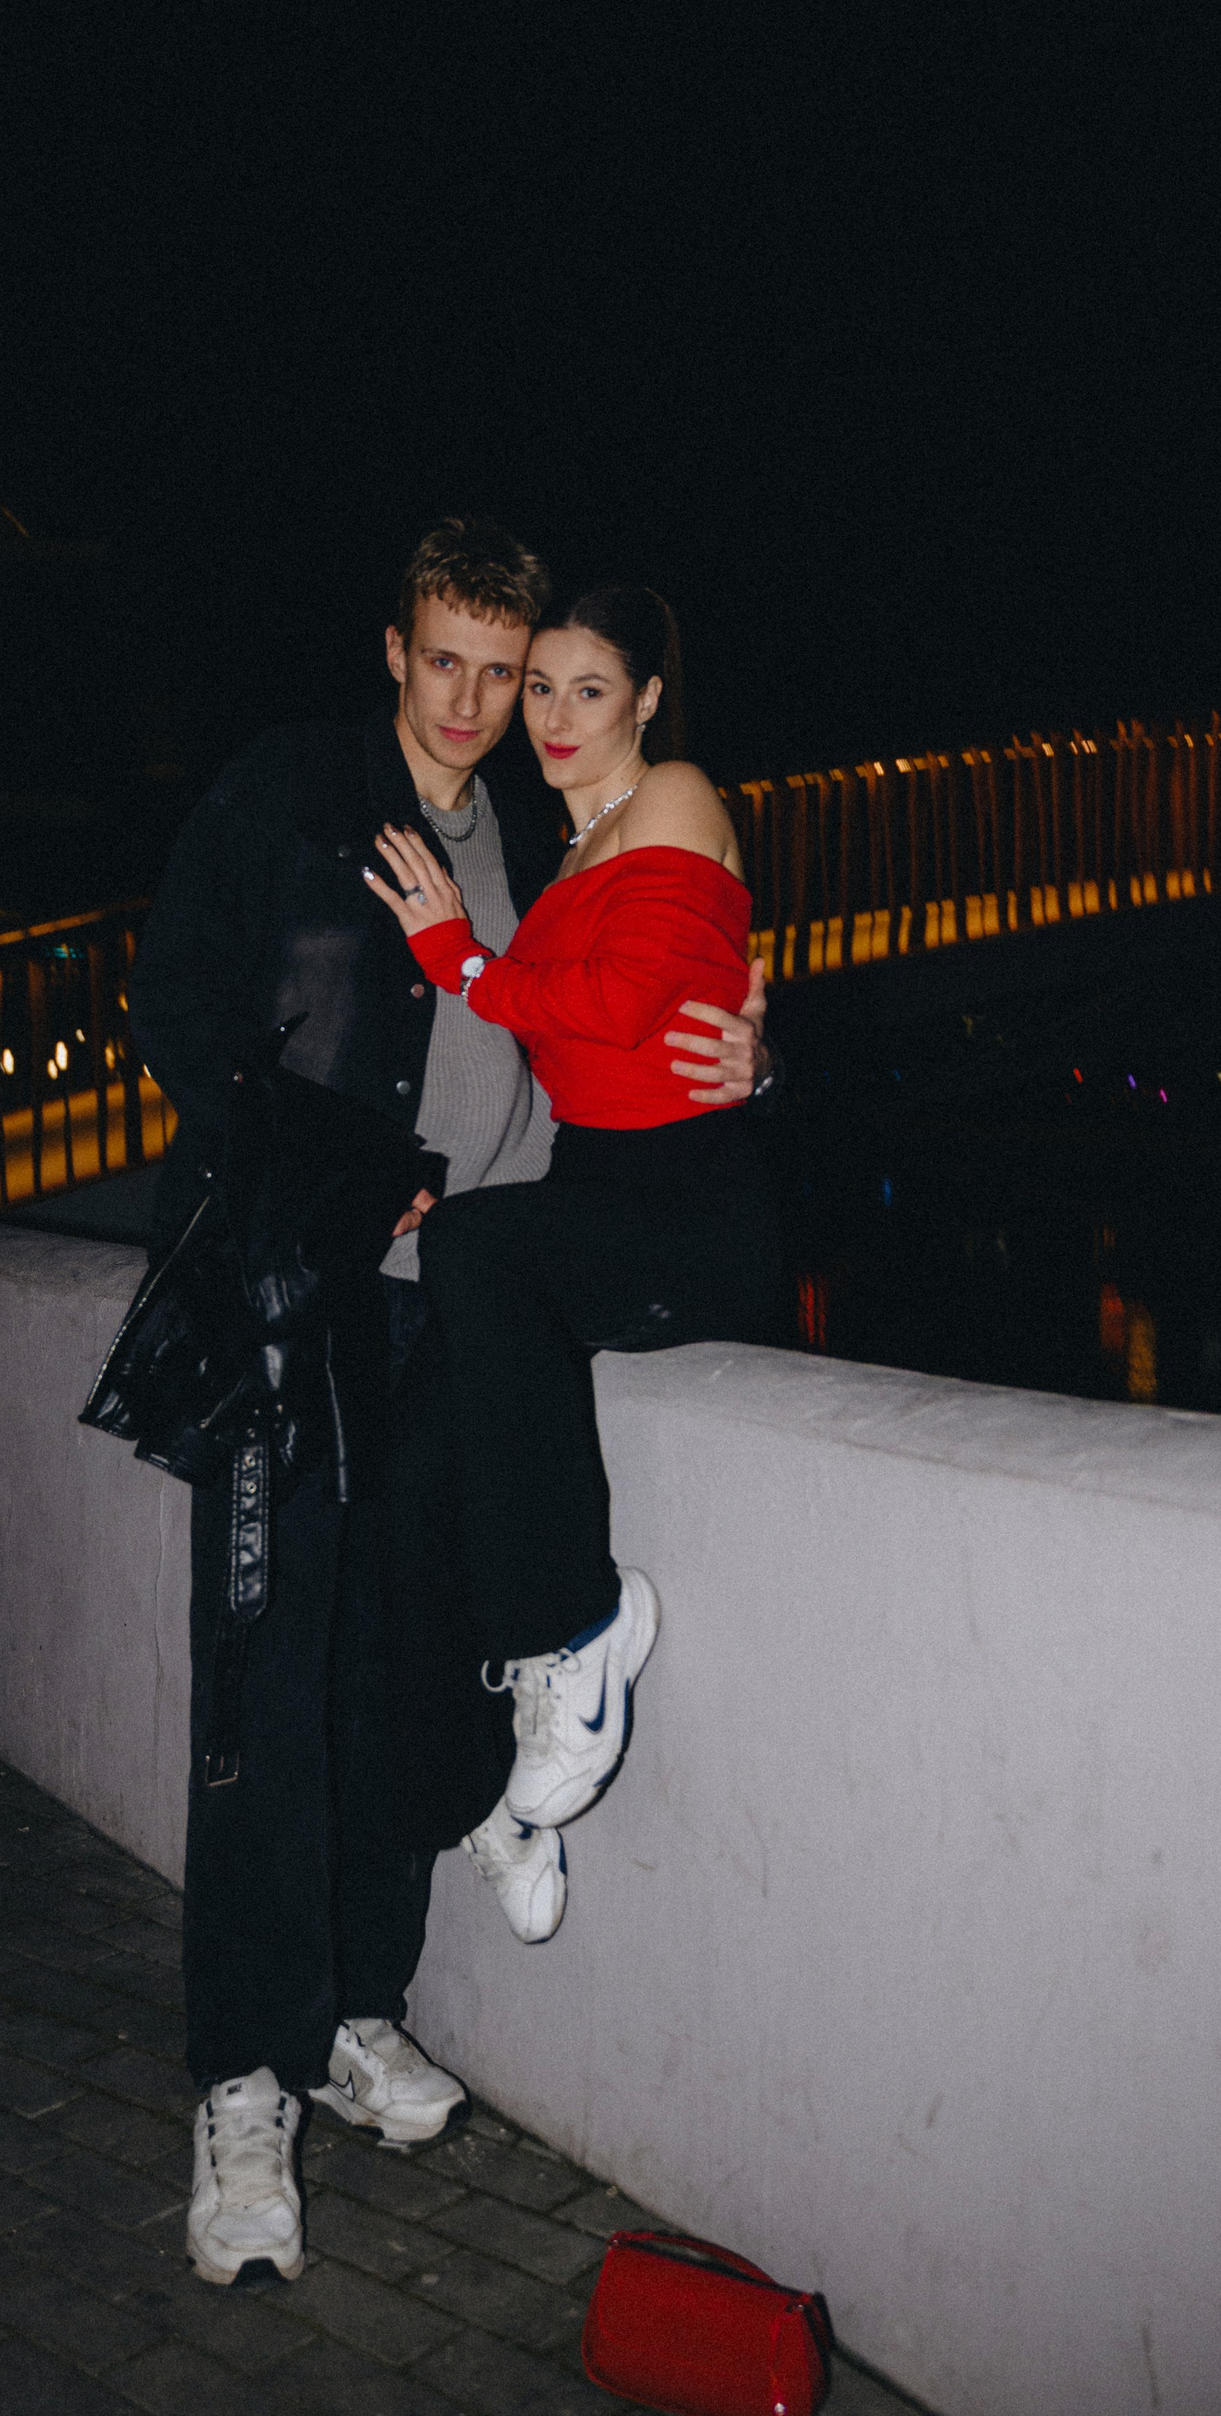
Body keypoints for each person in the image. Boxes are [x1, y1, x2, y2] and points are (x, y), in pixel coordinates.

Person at [128, 523, 772, 2288]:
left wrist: (751, 1046)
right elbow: (178, 1001)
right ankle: (242, 2080)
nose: (483, 704)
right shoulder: (293, 792)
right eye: (452, 664)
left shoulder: (548, 841)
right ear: (395, 653)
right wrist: (330, 1182)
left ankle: (352, 2011)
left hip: (445, 1328)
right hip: (291, 1295)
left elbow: (628, 1022)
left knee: (393, 1665)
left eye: (512, 672)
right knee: (266, 1680)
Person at [367, 582, 781, 1841]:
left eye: (587, 689)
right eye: (537, 687)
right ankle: (484, 1801)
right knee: (423, 1462)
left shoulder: (675, 794)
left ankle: (581, 1628)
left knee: (476, 1248)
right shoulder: (564, 859)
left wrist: (458, 956)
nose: (551, 716)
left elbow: (616, 1002)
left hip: (686, 1203)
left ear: (646, 698)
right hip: (597, 1189)